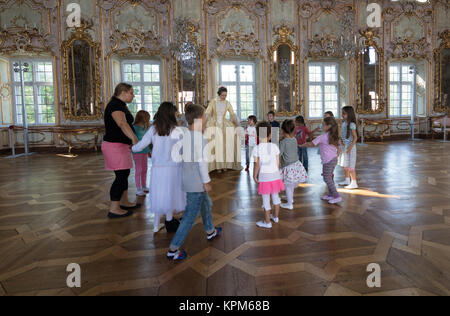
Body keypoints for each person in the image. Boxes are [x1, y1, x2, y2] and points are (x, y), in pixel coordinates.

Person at [167, 105, 222, 261]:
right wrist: (206, 181)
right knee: (190, 216)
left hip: (188, 179)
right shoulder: (199, 138)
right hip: (196, 182)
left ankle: (210, 230)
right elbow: (201, 162)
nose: (206, 119)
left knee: (204, 204)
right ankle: (173, 249)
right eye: (205, 116)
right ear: (199, 119)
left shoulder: (186, 135)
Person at [132, 102, 186, 233]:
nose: (176, 115)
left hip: (158, 168)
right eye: (175, 113)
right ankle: (168, 220)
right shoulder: (176, 130)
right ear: (170, 114)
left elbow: (141, 145)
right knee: (170, 194)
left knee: (159, 195)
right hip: (173, 168)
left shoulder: (153, 129)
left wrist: (132, 148)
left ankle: (156, 225)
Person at [102, 83, 140, 219]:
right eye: (131, 92)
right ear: (123, 92)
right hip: (114, 146)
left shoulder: (120, 105)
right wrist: (135, 139)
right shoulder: (115, 105)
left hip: (119, 145)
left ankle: (123, 202)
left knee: (124, 173)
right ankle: (114, 209)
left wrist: (130, 140)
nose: (133, 95)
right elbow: (122, 124)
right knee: (121, 176)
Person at [300, 117, 342, 204]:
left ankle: (337, 196)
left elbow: (311, 144)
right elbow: (339, 146)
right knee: (329, 177)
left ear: (328, 126)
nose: (321, 126)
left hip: (328, 161)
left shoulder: (323, 137)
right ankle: (330, 194)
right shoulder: (334, 136)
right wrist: (337, 153)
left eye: (323, 125)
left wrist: (302, 145)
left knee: (327, 178)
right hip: (333, 159)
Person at [252, 121, 285, 229]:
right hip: (275, 176)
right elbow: (278, 163)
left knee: (266, 200)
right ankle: (275, 217)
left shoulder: (256, 148)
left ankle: (267, 222)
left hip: (264, 177)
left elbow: (256, 165)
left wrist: (254, 176)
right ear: (270, 135)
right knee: (276, 197)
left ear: (258, 135)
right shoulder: (274, 146)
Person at [205, 87, 242, 173]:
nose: (224, 97)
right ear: (219, 94)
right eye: (222, 95)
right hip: (214, 124)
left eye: (225, 95)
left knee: (225, 146)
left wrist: (237, 125)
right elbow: (207, 113)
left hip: (224, 124)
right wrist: (204, 124)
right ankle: (217, 166)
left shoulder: (227, 103)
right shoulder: (213, 102)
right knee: (216, 145)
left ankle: (225, 165)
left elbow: (232, 114)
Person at [280, 119, 308, 210]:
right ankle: (290, 199)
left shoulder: (283, 142)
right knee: (290, 185)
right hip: (296, 164)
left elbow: (279, 154)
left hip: (288, 166)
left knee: (288, 186)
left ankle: (289, 204)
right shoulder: (294, 139)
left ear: (282, 131)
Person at [338, 106, 359, 189]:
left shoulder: (352, 124)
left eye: (344, 113)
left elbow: (355, 137)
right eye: (342, 113)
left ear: (349, 114)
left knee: (351, 166)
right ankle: (347, 180)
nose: (342, 115)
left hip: (351, 148)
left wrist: (350, 147)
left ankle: (354, 182)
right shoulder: (344, 123)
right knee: (345, 165)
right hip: (345, 147)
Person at [132, 110, 151, 197]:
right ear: (142, 117)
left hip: (145, 151)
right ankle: (138, 188)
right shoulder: (134, 127)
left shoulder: (145, 127)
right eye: (147, 117)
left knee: (145, 169)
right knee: (138, 170)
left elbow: (148, 141)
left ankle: (143, 186)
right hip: (137, 152)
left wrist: (149, 151)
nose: (148, 119)